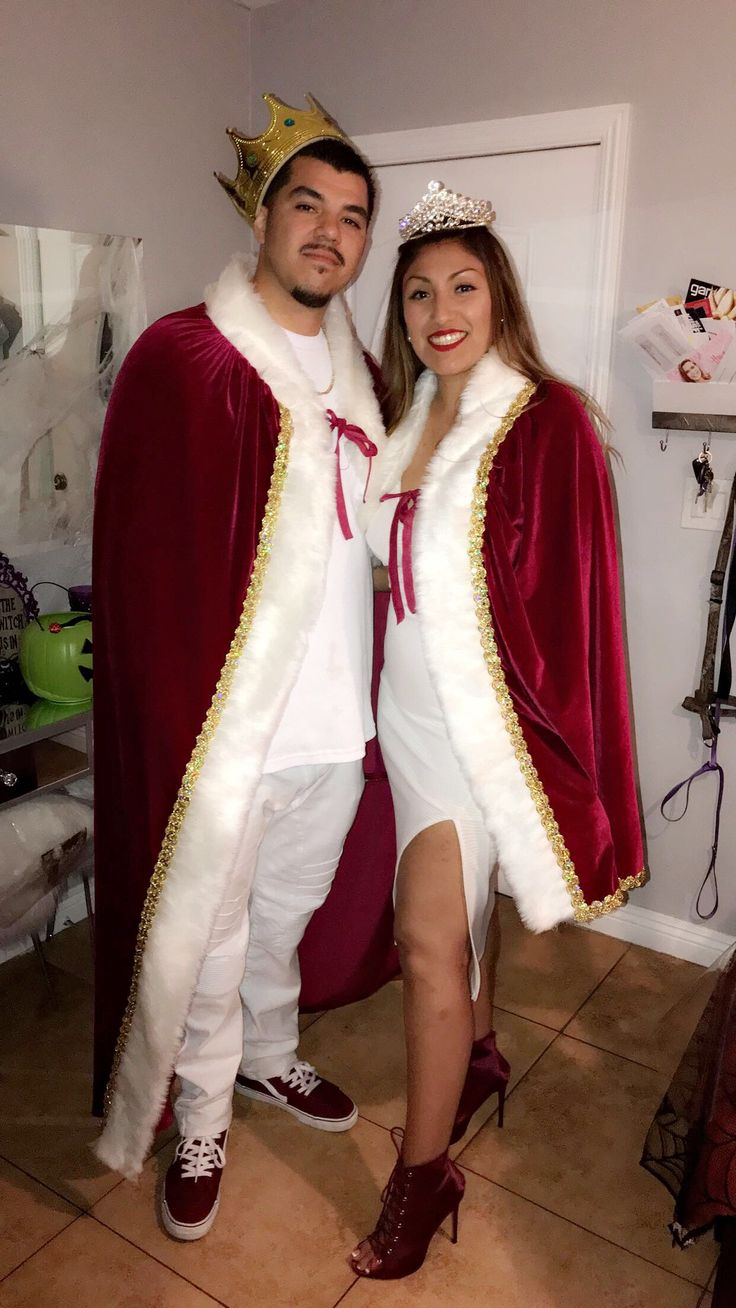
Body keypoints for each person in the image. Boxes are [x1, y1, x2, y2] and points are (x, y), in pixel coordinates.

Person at [92, 93, 395, 1241]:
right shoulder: (187, 355)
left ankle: (270, 1055)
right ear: (263, 219)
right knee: (210, 934)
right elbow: (147, 565)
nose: (329, 231)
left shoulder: (360, 368)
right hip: (227, 728)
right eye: (307, 206)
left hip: (334, 724)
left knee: (285, 910)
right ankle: (203, 1113)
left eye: (352, 216)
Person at [350, 180, 646, 1280]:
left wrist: (536, 746)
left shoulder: (545, 416)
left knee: (428, 938)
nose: (441, 308)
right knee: (457, 919)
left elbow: (568, 607)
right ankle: (476, 1054)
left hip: (487, 733)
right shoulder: (409, 413)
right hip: (408, 716)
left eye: (463, 285)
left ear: (499, 295)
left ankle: (425, 1180)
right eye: (420, 289)